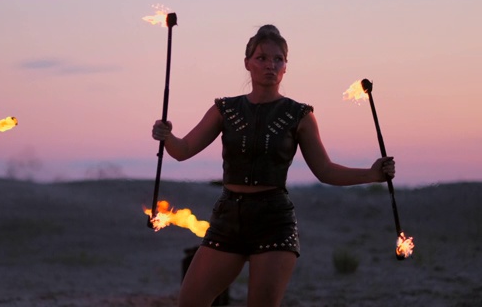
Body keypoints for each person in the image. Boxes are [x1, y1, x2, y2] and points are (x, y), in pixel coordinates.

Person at [151, 25, 396, 307]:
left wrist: (372, 174)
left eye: (278, 59)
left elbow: (325, 170)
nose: (270, 65)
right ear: (247, 64)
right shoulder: (225, 109)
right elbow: (182, 151)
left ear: (285, 67)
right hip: (228, 218)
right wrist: (166, 136)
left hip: (274, 222)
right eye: (262, 58)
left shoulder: (300, 115)